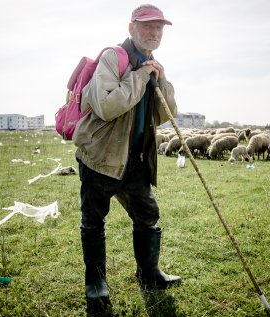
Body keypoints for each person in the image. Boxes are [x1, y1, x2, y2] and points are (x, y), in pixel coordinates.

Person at [72, 3, 181, 311]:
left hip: (134, 160)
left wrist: (160, 80)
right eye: (147, 26)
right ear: (131, 28)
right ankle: (96, 285)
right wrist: (140, 77)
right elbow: (107, 106)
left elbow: (167, 114)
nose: (154, 32)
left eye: (159, 28)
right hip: (100, 156)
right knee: (93, 221)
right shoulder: (113, 58)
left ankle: (149, 274)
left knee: (147, 214)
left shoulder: (152, 64)